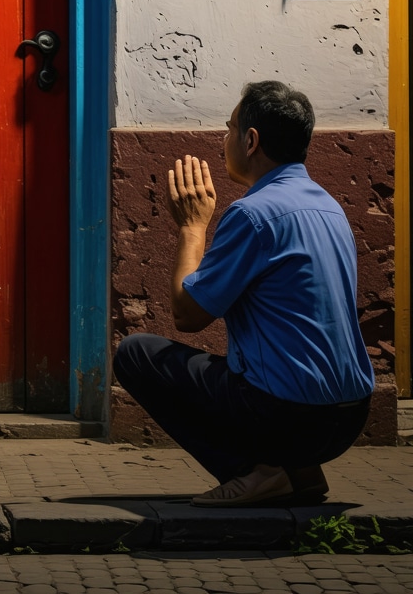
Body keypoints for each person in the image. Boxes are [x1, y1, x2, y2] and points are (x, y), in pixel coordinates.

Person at [113, 80, 375, 507]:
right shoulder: (330, 206)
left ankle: (258, 472)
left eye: (229, 127)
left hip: (288, 417)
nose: (224, 140)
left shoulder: (254, 214)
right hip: (350, 415)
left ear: (251, 140)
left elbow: (188, 315)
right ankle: (295, 471)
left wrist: (192, 227)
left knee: (136, 354)